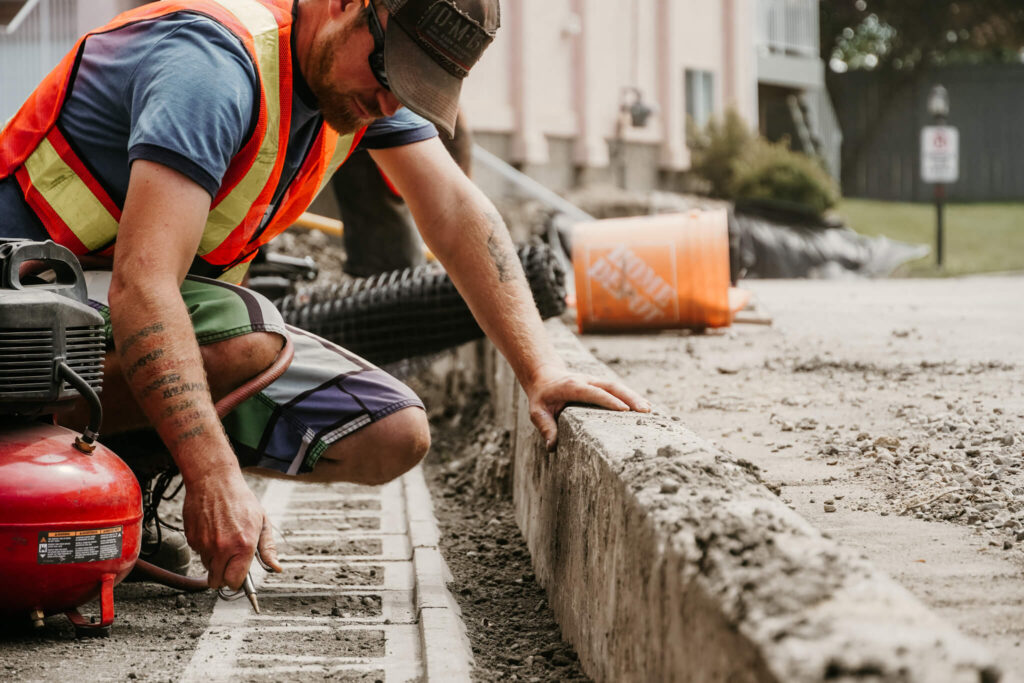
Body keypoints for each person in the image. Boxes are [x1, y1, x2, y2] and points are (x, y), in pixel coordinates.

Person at [0, 0, 650, 593]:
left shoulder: (355, 89)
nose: (391, 103)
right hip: (22, 312)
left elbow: (455, 211)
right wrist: (216, 477)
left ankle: (116, 471)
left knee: (391, 431)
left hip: (101, 321)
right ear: (345, 6)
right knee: (248, 338)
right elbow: (143, 288)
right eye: (388, 73)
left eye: (411, 88)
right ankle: (54, 468)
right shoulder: (214, 67)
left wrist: (542, 371)